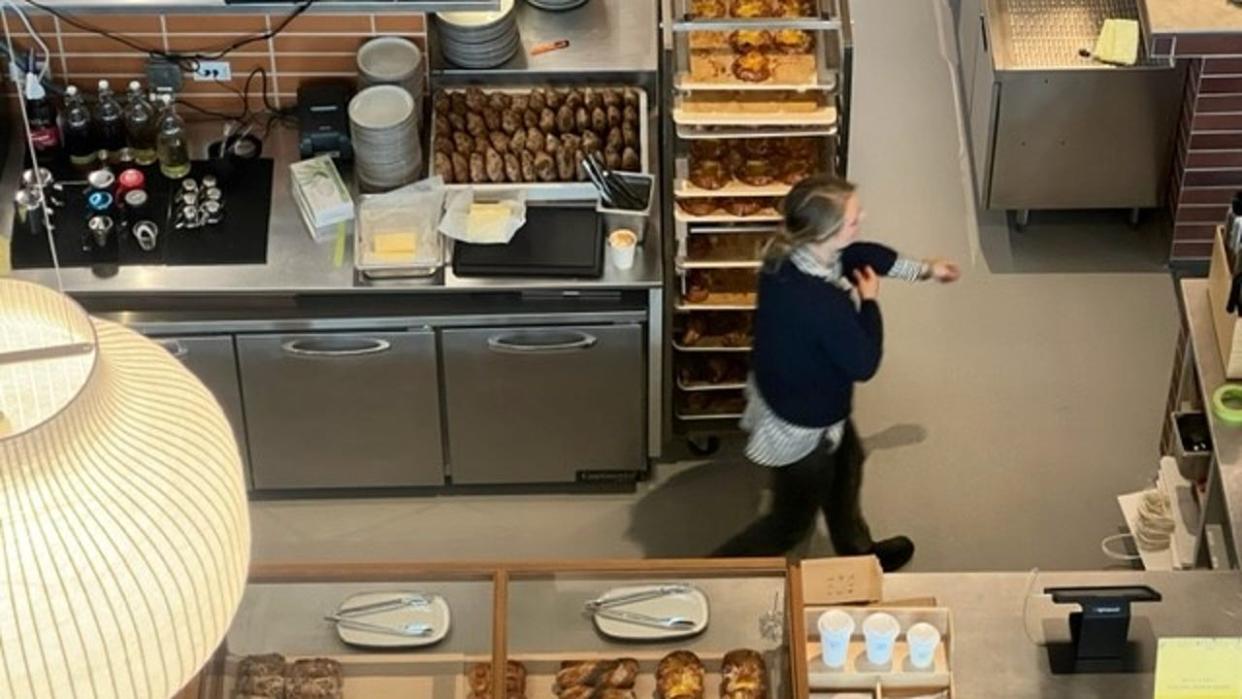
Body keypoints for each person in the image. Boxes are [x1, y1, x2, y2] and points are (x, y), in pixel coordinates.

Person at [712, 175, 960, 571]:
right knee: (788, 524)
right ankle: (708, 573)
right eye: (852, 219)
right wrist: (870, 303)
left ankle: (857, 553)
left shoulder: (787, 257)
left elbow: (860, 254)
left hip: (801, 397)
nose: (862, 217)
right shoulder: (821, 304)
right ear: (826, 233)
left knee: (848, 464)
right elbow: (863, 363)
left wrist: (925, 270)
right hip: (804, 420)